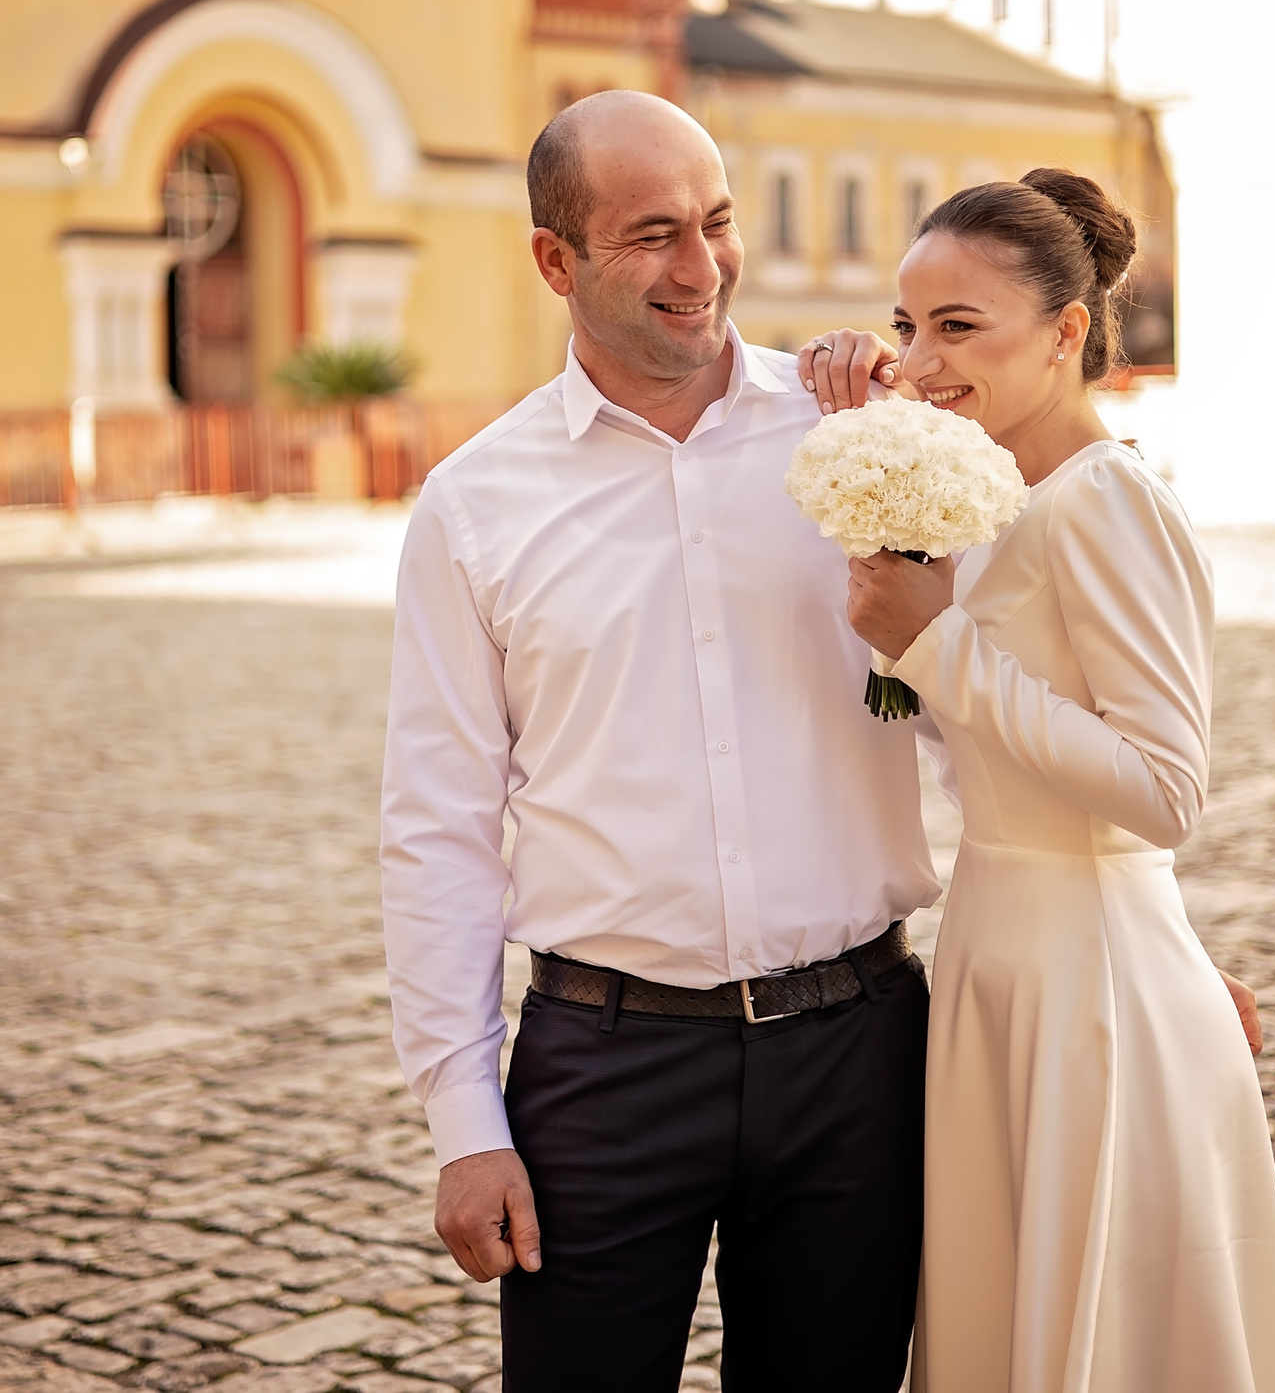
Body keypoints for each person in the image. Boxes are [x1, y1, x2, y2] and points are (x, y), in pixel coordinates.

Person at [380, 91, 936, 1393]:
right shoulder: (473, 504)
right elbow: (438, 822)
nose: (702, 267)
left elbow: (992, 709)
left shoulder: (860, 433)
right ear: (554, 260)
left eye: (716, 220)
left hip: (857, 1057)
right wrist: (464, 1121)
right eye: (651, 236)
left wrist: (1140, 934)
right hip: (604, 1069)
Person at [828, 173, 1275, 1392]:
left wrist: (938, 645)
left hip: (1085, 978)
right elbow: (999, 753)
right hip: (997, 953)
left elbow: (1164, 789)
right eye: (906, 326)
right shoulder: (997, 503)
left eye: (958, 326)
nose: (920, 363)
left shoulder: (1109, 500)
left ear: (1065, 330)